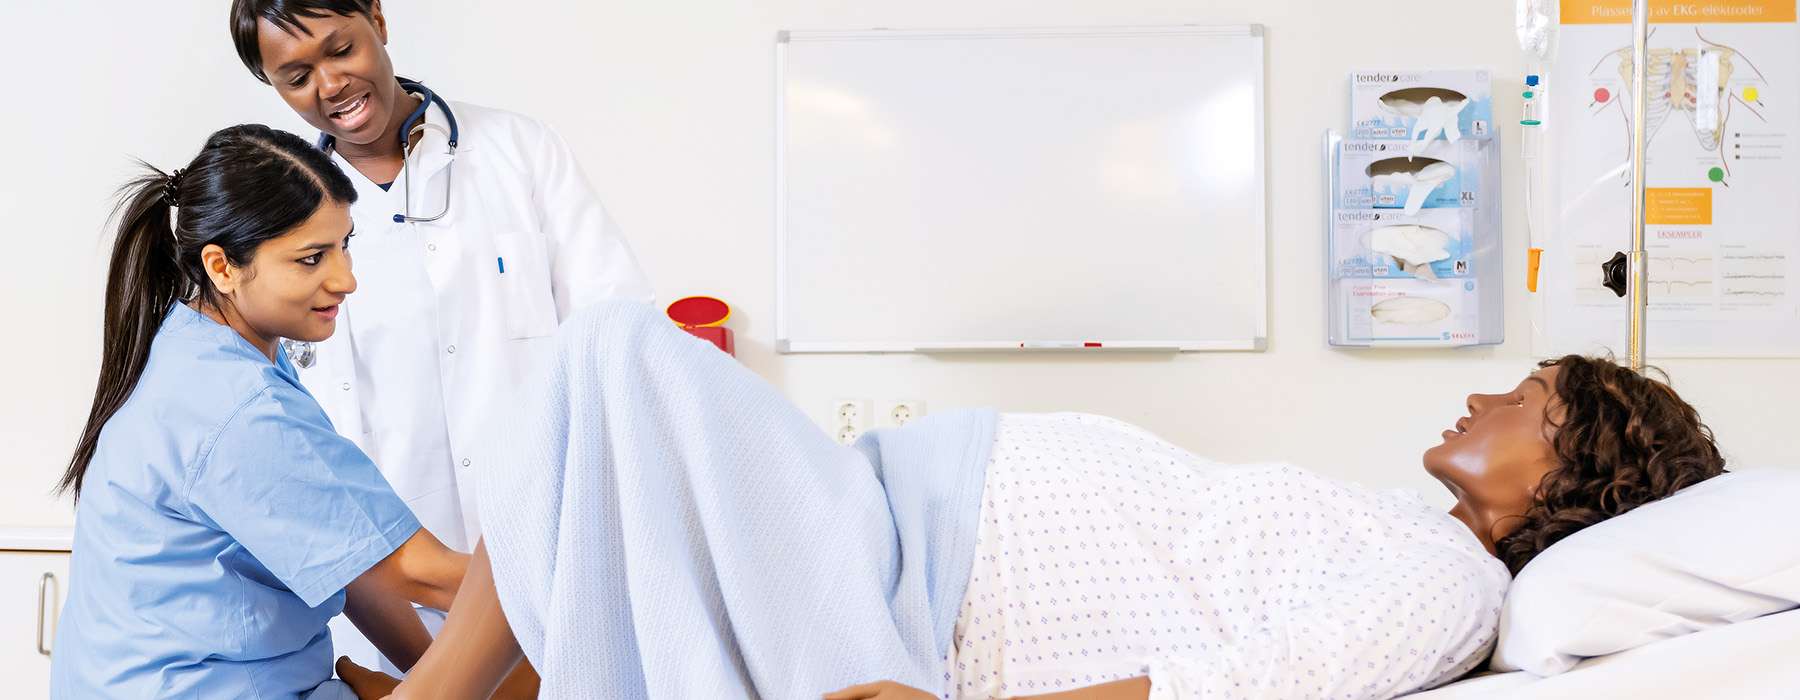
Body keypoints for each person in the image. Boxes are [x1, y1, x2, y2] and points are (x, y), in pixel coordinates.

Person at [342, 303, 1725, 700]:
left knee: (609, 357)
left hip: (901, 590)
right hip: (890, 525)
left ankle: (447, 671)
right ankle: (469, 654)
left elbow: (1240, 688)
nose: (1483, 397)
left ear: (1572, 465)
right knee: (601, 412)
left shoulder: (1454, 584)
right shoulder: (1407, 533)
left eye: (1524, 397)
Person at [229, 0, 655, 669]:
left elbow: (621, 338)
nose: (331, 85)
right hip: (382, 596)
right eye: (297, 77)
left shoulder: (520, 152)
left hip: (550, 560)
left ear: (378, 20)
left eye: (341, 49)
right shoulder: (279, 219)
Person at [49, 125, 479, 698]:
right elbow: (420, 573)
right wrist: (560, 575)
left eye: (345, 244)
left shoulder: (197, 346)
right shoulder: (235, 405)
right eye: (311, 258)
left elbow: (351, 561)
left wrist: (429, 680)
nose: (346, 279)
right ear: (222, 267)